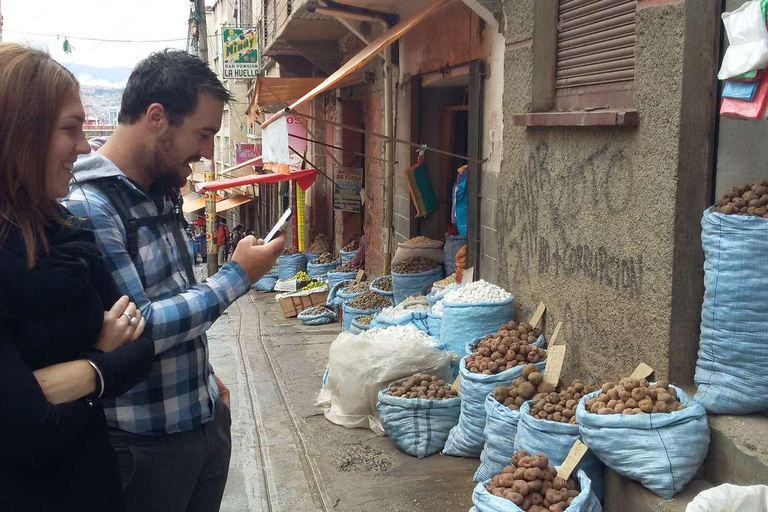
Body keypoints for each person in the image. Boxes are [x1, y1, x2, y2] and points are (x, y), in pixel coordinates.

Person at [63, 49, 285, 512]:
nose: (207, 152)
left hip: (201, 422)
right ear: (157, 117)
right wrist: (238, 275)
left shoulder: (162, 193)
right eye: (203, 135)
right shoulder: (90, 206)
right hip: (144, 445)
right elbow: (137, 327)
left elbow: (175, 296)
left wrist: (204, 383)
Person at [0, 43, 155, 511]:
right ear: (18, 134)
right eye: (71, 130)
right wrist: (102, 354)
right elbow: (31, 431)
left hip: (95, 483)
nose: (86, 148)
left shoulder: (67, 235)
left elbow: (141, 344)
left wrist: (80, 373)